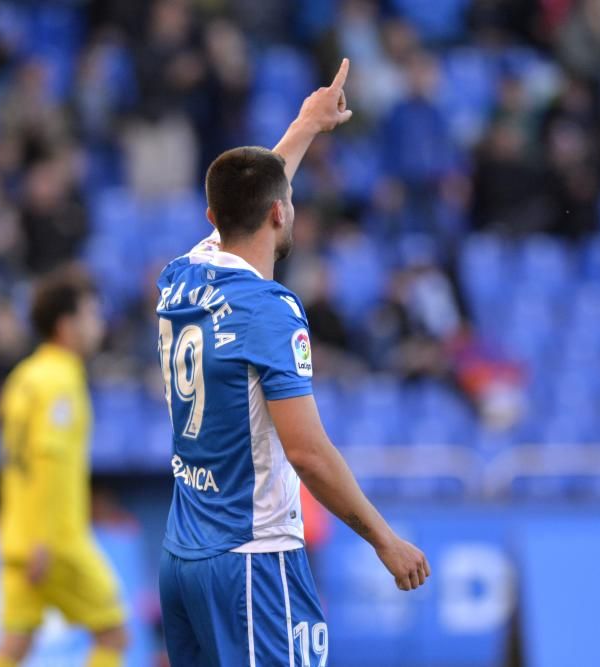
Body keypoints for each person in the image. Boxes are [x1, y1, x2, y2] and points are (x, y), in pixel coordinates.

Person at [156, 59, 429, 666]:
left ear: (212, 220)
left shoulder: (181, 276)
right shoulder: (271, 310)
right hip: (253, 561)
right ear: (281, 213)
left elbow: (249, 197)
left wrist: (305, 125)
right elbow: (306, 452)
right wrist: (384, 540)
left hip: (184, 555)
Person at [0, 269, 128, 667]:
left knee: (14, 646)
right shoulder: (61, 381)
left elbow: (16, 462)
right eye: (91, 315)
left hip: (15, 534)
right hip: (55, 541)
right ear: (67, 326)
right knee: (114, 635)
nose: (98, 325)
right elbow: (46, 462)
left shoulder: (25, 376)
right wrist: (44, 541)